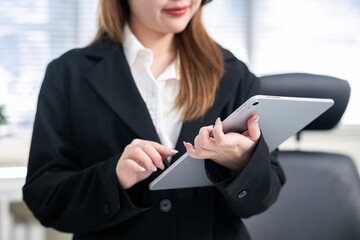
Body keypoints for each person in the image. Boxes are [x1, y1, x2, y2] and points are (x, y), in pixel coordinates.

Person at [23, 0, 285, 239]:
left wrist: (241, 163)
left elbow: (261, 199)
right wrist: (115, 179)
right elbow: (45, 197)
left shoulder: (235, 74)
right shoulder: (68, 75)